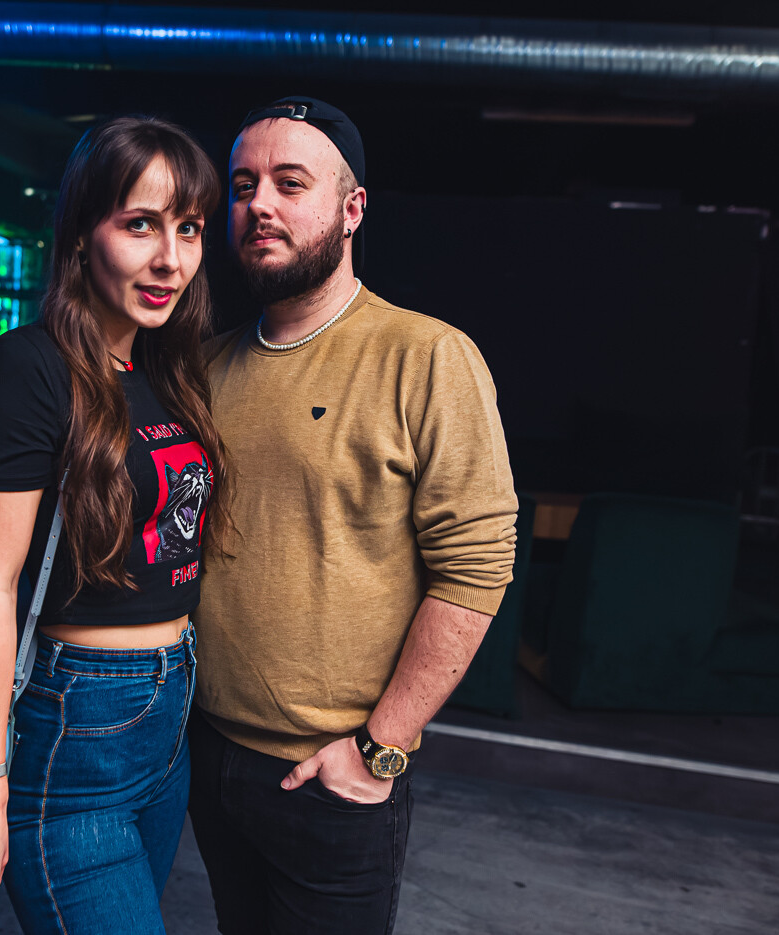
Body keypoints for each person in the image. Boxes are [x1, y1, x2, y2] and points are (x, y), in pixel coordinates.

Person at [189, 96, 519, 934]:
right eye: (243, 186)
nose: (259, 204)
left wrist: (380, 747)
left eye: (290, 183)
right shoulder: (205, 366)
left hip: (331, 776)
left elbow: (476, 566)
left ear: (352, 208)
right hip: (203, 754)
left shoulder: (427, 355)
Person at [0, 116, 229, 935]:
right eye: (140, 225)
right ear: (79, 235)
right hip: (75, 731)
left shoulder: (165, 370)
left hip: (170, 722)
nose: (170, 258)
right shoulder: (27, 370)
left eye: (189, 229)